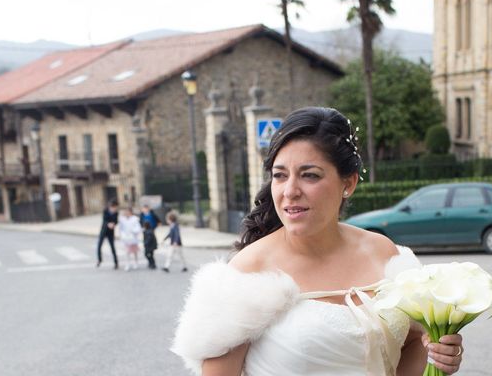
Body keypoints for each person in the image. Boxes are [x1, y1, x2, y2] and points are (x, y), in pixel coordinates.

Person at [172, 107, 464, 376]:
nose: (290, 191)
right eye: (279, 175)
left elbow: (413, 342)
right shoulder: (248, 272)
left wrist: (438, 356)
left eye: (309, 175)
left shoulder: (384, 253)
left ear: (348, 183)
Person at [96, 200, 119, 269]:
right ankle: (99, 260)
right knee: (99, 245)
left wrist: (114, 224)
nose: (114, 209)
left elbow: (116, 221)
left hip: (110, 232)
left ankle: (116, 262)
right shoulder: (105, 211)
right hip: (104, 230)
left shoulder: (116, 213)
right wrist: (108, 224)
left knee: (112, 247)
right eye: (113, 208)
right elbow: (104, 220)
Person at [118, 207, 141, 271]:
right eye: (126, 212)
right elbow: (120, 228)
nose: (126, 213)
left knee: (134, 252)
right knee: (127, 252)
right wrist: (122, 235)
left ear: (130, 212)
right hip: (126, 238)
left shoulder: (135, 219)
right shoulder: (122, 219)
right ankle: (127, 264)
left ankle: (136, 262)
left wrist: (133, 231)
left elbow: (138, 228)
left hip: (133, 237)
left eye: (128, 212)